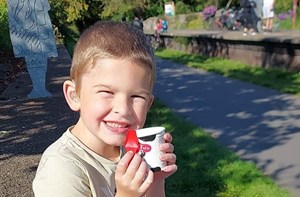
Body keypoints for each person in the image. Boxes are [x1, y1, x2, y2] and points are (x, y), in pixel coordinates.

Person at [32, 21, 177, 197]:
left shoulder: (129, 151)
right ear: (74, 95)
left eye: (137, 97)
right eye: (107, 92)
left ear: (148, 105)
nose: (123, 109)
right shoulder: (61, 169)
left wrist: (155, 179)